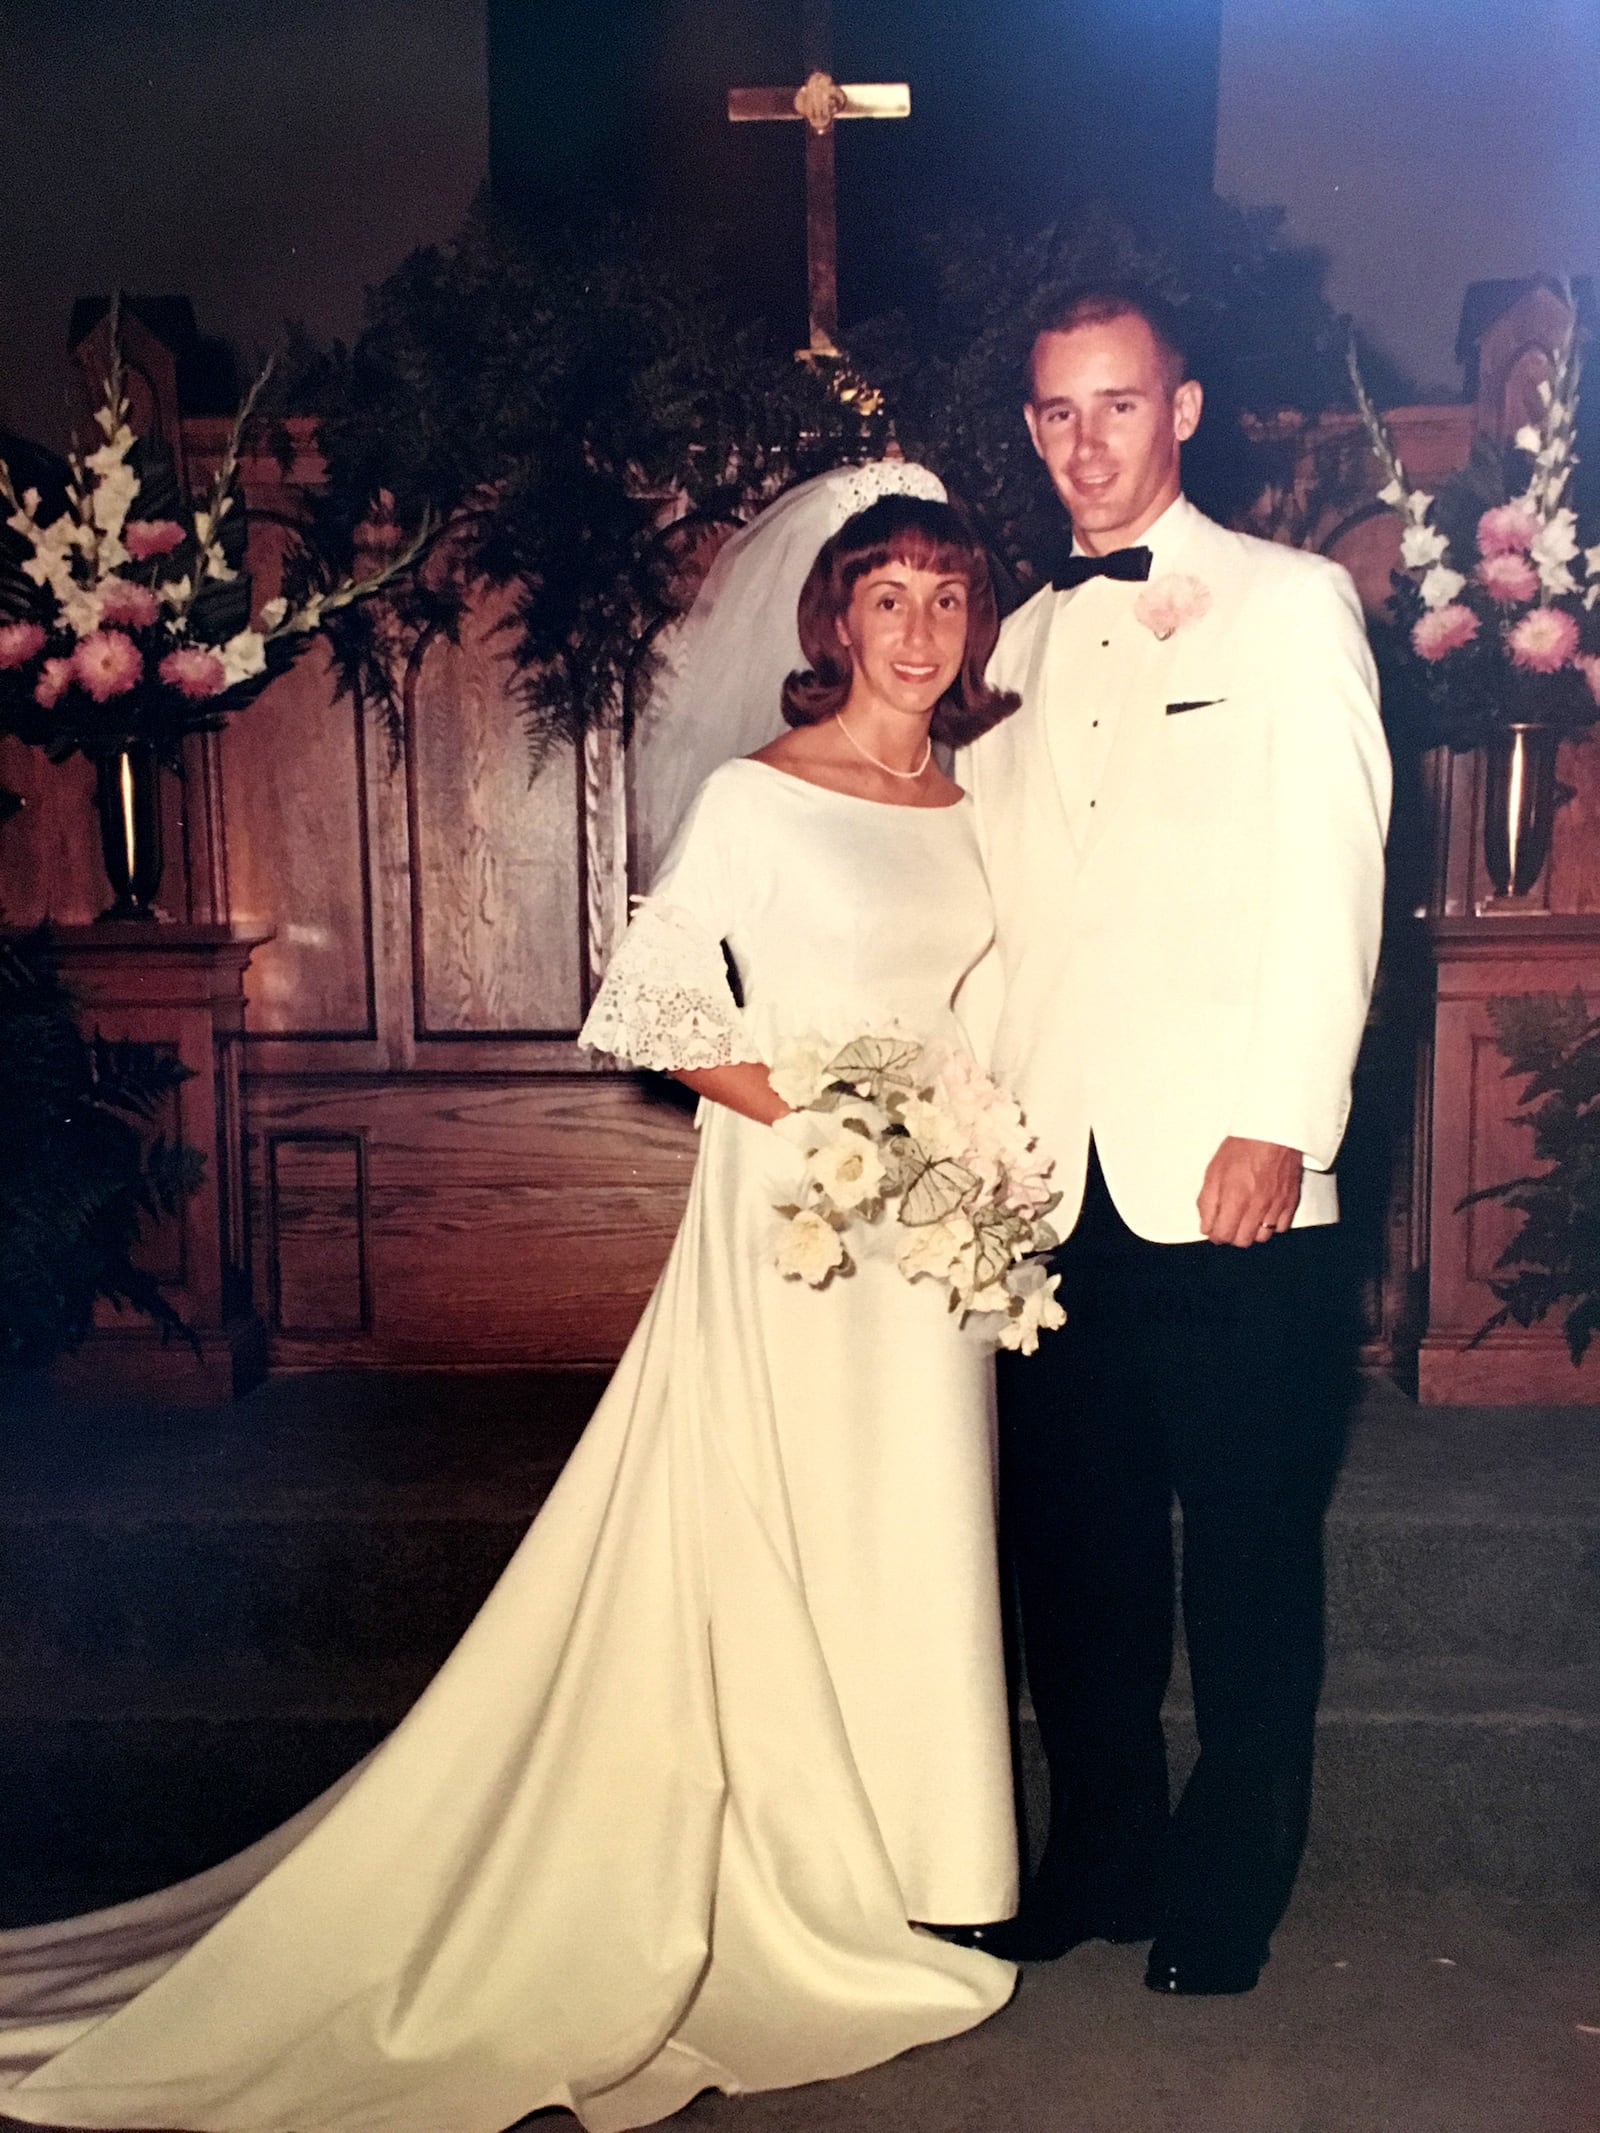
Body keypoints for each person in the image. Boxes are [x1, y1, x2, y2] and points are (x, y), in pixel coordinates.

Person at [0, 466, 1024, 2133]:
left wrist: (971, 1151)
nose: (916, 629)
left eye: (944, 597)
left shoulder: (971, 808)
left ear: (972, 621)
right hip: (801, 1213)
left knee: (923, 1524)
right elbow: (650, 1009)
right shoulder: (765, 799)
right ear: (832, 618)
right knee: (797, 1522)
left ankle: (928, 1851)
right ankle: (801, 1869)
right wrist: (845, 1120)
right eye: (884, 596)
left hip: (937, 1237)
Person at [956, 286, 1390, 1995]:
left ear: (1185, 408)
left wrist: (1282, 1117)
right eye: (1056, 412)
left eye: (1117, 406)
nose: (1084, 443)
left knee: (1251, 1543)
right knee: (1079, 1548)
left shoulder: (1293, 607)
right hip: (1046, 1182)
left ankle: (1229, 1882)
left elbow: (1334, 879)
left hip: (1231, 1172)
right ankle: (1102, 1850)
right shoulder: (1007, 645)